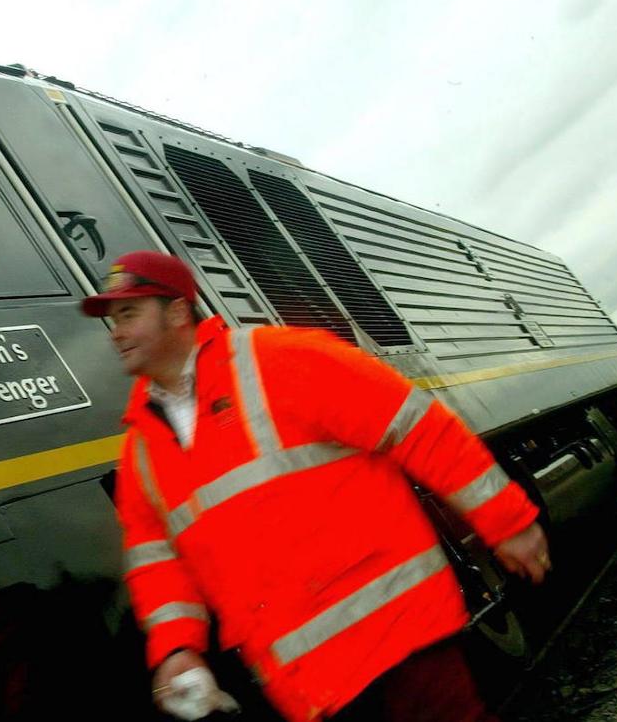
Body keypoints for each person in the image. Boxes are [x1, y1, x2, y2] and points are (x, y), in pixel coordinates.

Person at [80, 250, 551, 722]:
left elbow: (415, 427)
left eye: (129, 313)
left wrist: (506, 521)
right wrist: (177, 648)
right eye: (113, 319)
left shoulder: (280, 359)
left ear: (178, 311)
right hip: (309, 687)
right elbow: (157, 559)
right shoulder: (142, 450)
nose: (116, 333)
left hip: (401, 640)